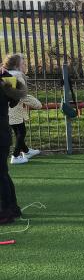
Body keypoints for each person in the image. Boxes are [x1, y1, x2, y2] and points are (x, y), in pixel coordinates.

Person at [2, 53, 42, 164]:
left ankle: (26, 151)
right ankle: (15, 156)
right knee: (21, 132)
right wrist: (37, 104)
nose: (25, 66)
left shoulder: (8, 74)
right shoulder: (18, 75)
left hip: (7, 110)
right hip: (13, 110)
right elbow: (22, 95)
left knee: (18, 131)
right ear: (16, 65)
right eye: (23, 64)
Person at [0, 67, 28, 224]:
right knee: (2, 173)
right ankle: (12, 208)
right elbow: (18, 96)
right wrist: (6, 75)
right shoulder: (5, 83)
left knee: (1, 174)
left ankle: (5, 212)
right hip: (3, 133)